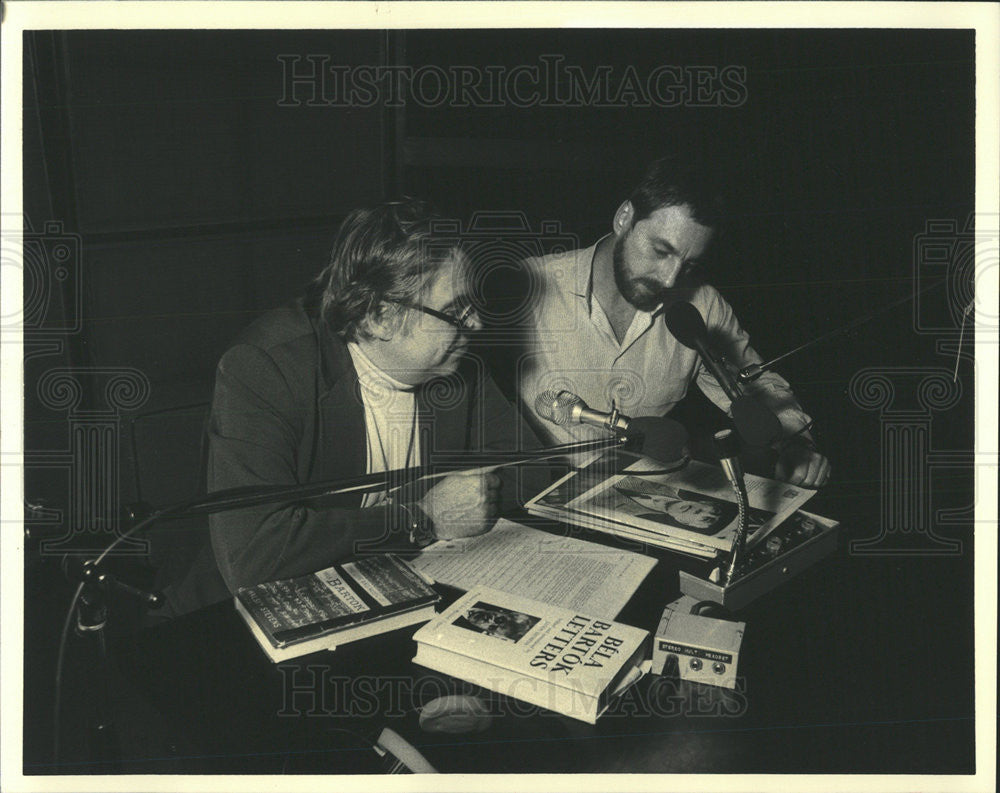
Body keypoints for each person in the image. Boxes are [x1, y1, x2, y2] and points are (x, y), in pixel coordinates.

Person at [164, 199, 538, 614]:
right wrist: (423, 517)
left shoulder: (453, 360)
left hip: (398, 590)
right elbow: (256, 554)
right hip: (236, 620)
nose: (476, 324)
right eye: (454, 311)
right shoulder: (266, 368)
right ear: (380, 317)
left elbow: (534, 469)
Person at [519, 158, 831, 488]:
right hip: (541, 495)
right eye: (660, 250)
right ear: (624, 218)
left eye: (689, 264)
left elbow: (757, 385)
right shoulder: (525, 286)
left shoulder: (704, 306)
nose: (670, 281)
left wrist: (796, 445)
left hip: (645, 495)